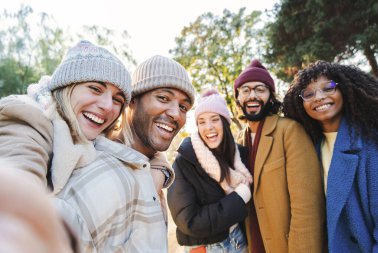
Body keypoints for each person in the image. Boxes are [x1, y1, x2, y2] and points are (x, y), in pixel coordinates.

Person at [54, 55, 196, 252]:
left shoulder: (147, 169)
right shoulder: (100, 177)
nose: (176, 114)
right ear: (132, 102)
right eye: (163, 98)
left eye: (183, 107)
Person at [0, 40, 132, 252]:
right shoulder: (28, 118)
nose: (108, 106)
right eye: (95, 88)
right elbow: (17, 173)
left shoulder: (86, 136)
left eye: (118, 100)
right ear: (66, 87)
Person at [283, 60, 378, 253]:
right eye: (308, 94)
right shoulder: (311, 147)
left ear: (344, 90)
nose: (318, 97)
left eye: (328, 88)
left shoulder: (370, 144)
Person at [233, 59, 325, 252]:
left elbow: (307, 206)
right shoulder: (237, 141)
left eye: (260, 89)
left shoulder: (289, 131)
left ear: (271, 97)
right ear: (237, 98)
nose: (253, 96)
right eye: (246, 90)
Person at [167, 89, 252, 253]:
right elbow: (189, 221)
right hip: (208, 248)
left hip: (239, 240)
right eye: (202, 122)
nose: (209, 127)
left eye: (215, 119)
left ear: (225, 123)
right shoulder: (185, 161)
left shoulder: (238, 155)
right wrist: (239, 198)